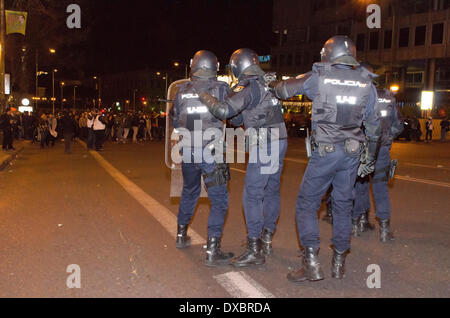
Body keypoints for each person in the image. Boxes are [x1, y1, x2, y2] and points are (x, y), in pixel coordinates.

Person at [272, 35, 380, 281]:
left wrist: (280, 82)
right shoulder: (367, 82)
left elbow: (282, 90)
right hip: (352, 153)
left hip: (326, 153)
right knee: (343, 205)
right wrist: (370, 159)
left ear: (327, 54)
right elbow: (374, 127)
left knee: (307, 204)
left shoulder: (318, 77)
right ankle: (338, 263)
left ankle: (311, 264)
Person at [199, 48, 288, 267]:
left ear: (238, 66)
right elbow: (238, 119)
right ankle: (266, 237)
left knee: (252, 194)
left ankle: (254, 249)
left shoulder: (249, 85)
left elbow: (222, 111)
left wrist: (204, 95)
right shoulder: (266, 81)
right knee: (271, 189)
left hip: (265, 140)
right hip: (280, 138)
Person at [172, 50, 234, 267]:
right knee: (219, 200)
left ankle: (181, 235)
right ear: (215, 66)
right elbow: (232, 115)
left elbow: (174, 121)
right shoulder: (221, 89)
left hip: (188, 150)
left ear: (193, 65)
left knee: (189, 191)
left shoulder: (182, 91)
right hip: (210, 152)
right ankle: (212, 250)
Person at [352, 86, 403, 242]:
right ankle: (384, 231)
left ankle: (357, 223)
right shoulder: (388, 97)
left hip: (362, 148)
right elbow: (399, 123)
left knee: (360, 185)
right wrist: (387, 137)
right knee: (380, 188)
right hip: (382, 148)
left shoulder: (359, 92)